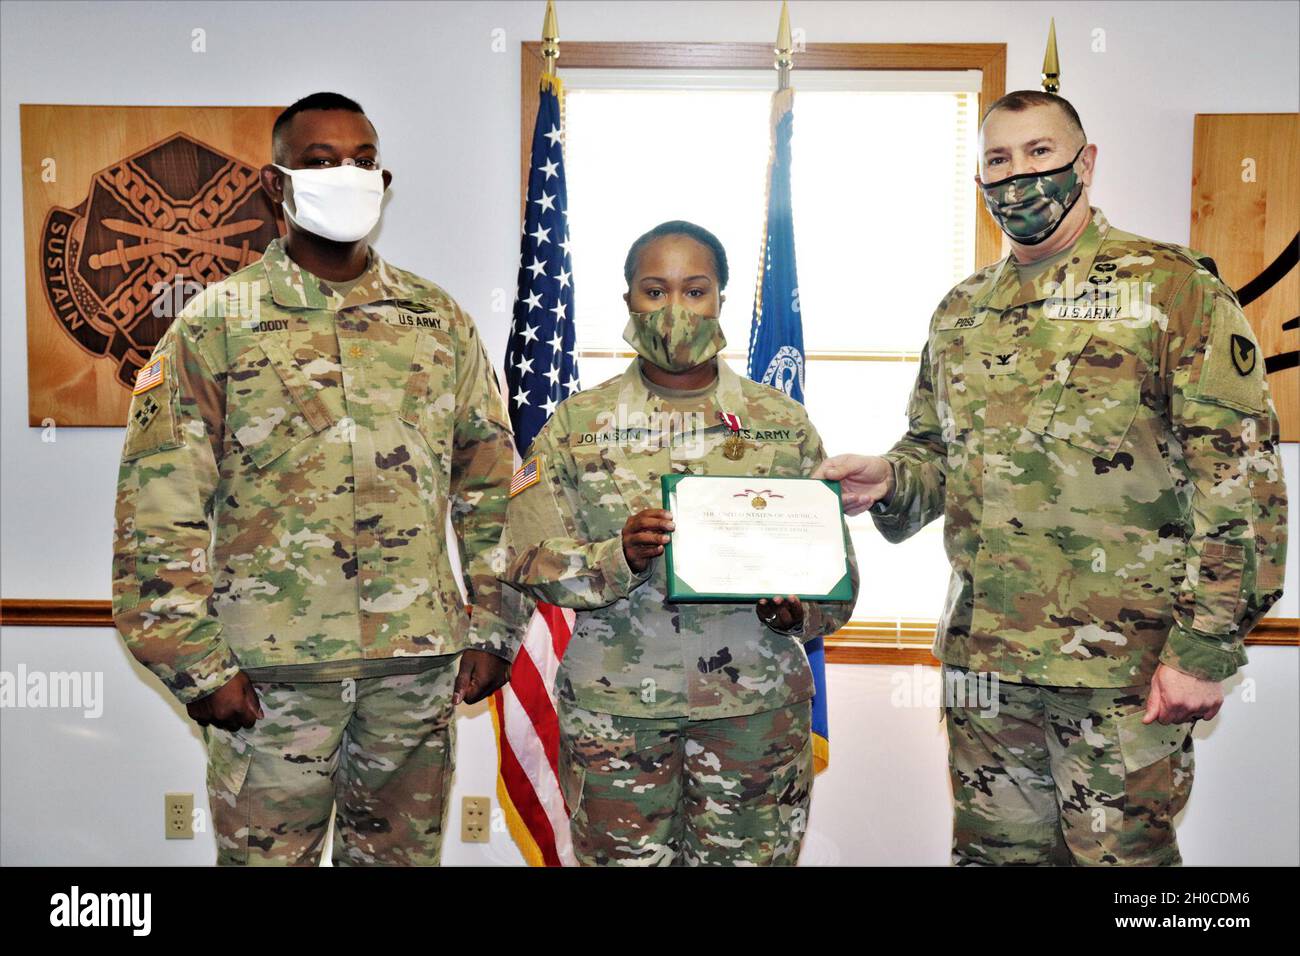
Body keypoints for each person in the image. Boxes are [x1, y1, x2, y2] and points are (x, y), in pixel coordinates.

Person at [817, 90, 1288, 866]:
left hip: (1123, 674)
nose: (1019, 176)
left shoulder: (1170, 288)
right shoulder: (962, 311)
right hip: (986, 668)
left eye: (1040, 153)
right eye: (998, 160)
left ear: (1086, 161)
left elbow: (1240, 481)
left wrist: (1204, 648)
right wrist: (889, 478)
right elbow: (938, 453)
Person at [112, 92, 519, 865]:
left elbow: (492, 487)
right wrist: (196, 667)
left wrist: (496, 628)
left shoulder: (439, 322)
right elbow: (158, 508)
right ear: (277, 185)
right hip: (271, 677)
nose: (347, 174)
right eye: (321, 161)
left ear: (385, 177)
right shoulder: (215, 324)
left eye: (363, 161)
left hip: (414, 670)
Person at [502, 220, 859, 866]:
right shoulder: (578, 426)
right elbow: (528, 557)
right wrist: (622, 557)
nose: (674, 309)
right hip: (617, 719)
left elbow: (839, 580)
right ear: (629, 303)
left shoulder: (780, 425)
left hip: (754, 714)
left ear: (719, 298)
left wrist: (798, 611)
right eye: (654, 291)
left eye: (695, 291)